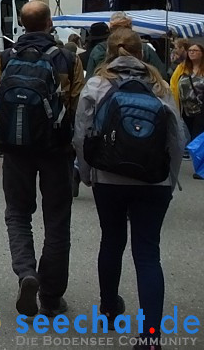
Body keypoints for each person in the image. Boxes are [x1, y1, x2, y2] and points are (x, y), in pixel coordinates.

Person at [74, 28, 188, 344]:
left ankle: (110, 308)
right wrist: (170, 178)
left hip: (108, 178)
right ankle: (150, 335)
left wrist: (86, 173)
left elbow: (81, 135)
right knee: (148, 252)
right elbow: (177, 138)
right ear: (142, 53)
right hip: (154, 180)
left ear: (108, 53)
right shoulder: (160, 87)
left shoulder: (96, 85)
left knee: (111, 241)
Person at [0, 0, 84, 318]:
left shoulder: (5, 56)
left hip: (16, 148)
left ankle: (27, 273)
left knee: (17, 215)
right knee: (56, 222)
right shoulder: (67, 57)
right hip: (56, 150)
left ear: (22, 25)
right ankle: (51, 296)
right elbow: (78, 106)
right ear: (49, 22)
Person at [86, 13, 166, 78]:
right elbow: (162, 77)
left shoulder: (100, 49)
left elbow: (88, 85)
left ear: (110, 31)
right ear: (131, 28)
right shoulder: (145, 49)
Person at [171, 40, 204, 179]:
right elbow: (173, 85)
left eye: (195, 50)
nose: (191, 52)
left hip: (201, 109)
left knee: (198, 137)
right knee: (190, 137)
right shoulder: (182, 68)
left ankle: (200, 170)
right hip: (185, 110)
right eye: (190, 50)